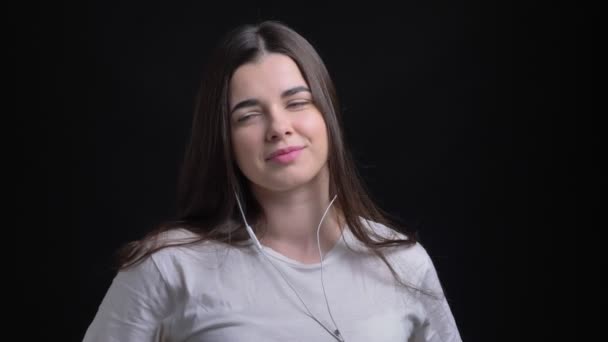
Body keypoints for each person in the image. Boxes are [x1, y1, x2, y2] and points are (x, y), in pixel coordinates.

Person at [83, 20, 462, 342]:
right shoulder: (169, 267)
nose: (279, 128)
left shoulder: (401, 263)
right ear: (223, 139)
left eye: (297, 103)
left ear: (327, 114)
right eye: (249, 115)